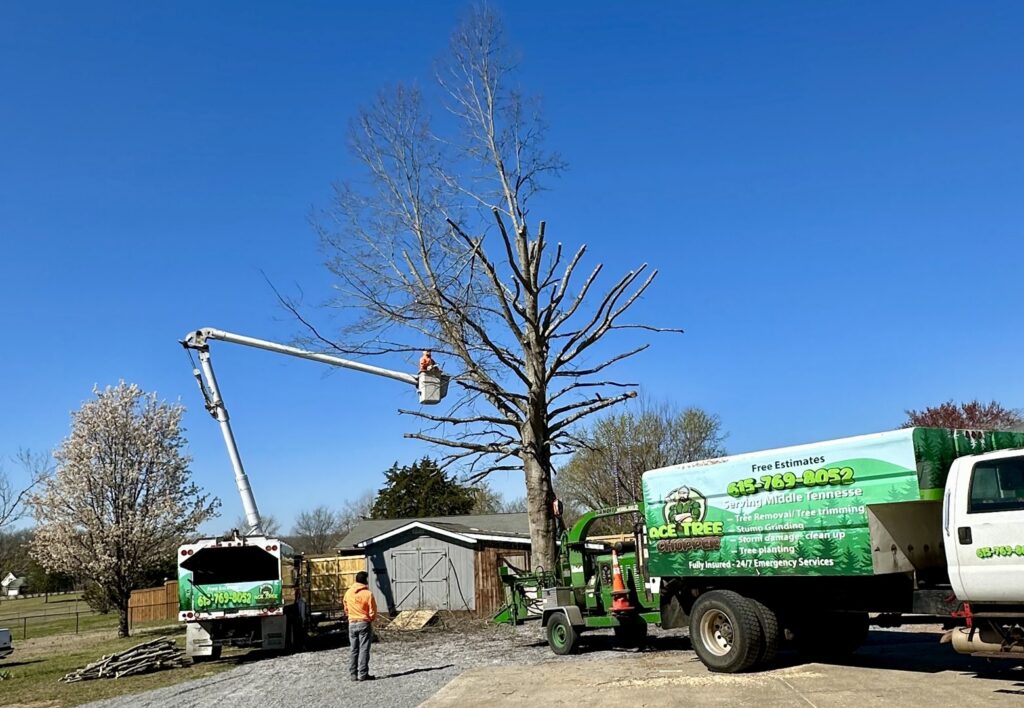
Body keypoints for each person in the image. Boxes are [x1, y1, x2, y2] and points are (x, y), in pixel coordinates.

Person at [344, 570, 378, 681]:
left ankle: (353, 674)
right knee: (364, 649)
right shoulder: (368, 594)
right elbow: (373, 610)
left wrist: (350, 616)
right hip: (364, 623)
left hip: (352, 623)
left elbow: (346, 608)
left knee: (353, 649)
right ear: (365, 580)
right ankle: (363, 674)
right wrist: (371, 619)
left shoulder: (348, 593)